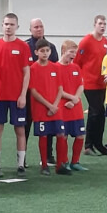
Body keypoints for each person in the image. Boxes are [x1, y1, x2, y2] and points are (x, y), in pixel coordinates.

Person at [0, 13, 32, 177]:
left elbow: (26, 72)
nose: (8, 27)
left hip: (17, 97)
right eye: (6, 24)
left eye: (12, 24)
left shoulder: (23, 46)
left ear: (17, 27)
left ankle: (20, 165)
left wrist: (23, 95)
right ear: (2, 25)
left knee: (20, 129)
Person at [29, 38, 69, 176]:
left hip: (55, 109)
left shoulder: (55, 67)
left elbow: (60, 88)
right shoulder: (33, 68)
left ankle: (60, 165)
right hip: (41, 109)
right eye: (42, 51)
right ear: (36, 52)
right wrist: (49, 106)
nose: (45, 53)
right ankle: (44, 165)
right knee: (43, 135)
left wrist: (55, 105)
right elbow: (34, 91)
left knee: (60, 134)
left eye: (47, 50)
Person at [25, 17, 58, 164]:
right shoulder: (25, 46)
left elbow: (55, 69)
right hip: (29, 93)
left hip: (48, 93)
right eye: (36, 27)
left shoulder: (52, 47)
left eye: (41, 26)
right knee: (26, 125)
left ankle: (48, 156)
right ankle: (22, 158)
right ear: (30, 30)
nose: (39, 29)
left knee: (49, 126)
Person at [77, 15, 107, 155]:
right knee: (95, 112)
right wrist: (80, 80)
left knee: (100, 114)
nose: (102, 26)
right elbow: (77, 62)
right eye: (100, 23)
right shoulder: (86, 41)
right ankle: (88, 145)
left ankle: (98, 143)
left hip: (102, 83)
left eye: (104, 24)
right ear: (94, 24)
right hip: (90, 83)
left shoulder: (105, 41)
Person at [58, 39, 87, 171]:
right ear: (63, 51)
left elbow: (81, 85)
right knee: (63, 136)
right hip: (63, 107)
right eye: (71, 52)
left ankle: (75, 162)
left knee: (80, 135)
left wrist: (75, 99)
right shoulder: (55, 68)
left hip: (76, 107)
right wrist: (72, 98)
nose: (74, 55)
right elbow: (57, 90)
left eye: (75, 52)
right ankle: (64, 162)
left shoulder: (76, 67)